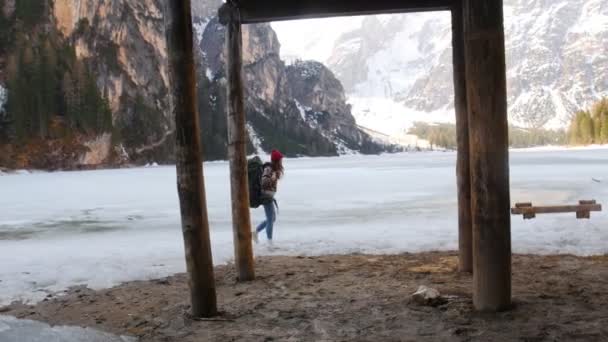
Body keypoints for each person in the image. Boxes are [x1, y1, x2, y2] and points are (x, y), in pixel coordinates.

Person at [253, 149, 284, 244]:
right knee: (270, 219)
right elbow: (264, 182)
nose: (281, 161)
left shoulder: (274, 169)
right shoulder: (268, 169)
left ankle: (255, 232)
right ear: (276, 160)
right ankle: (269, 242)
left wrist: (274, 177)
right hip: (266, 197)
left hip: (268, 196)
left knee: (272, 218)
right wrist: (272, 178)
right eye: (280, 159)